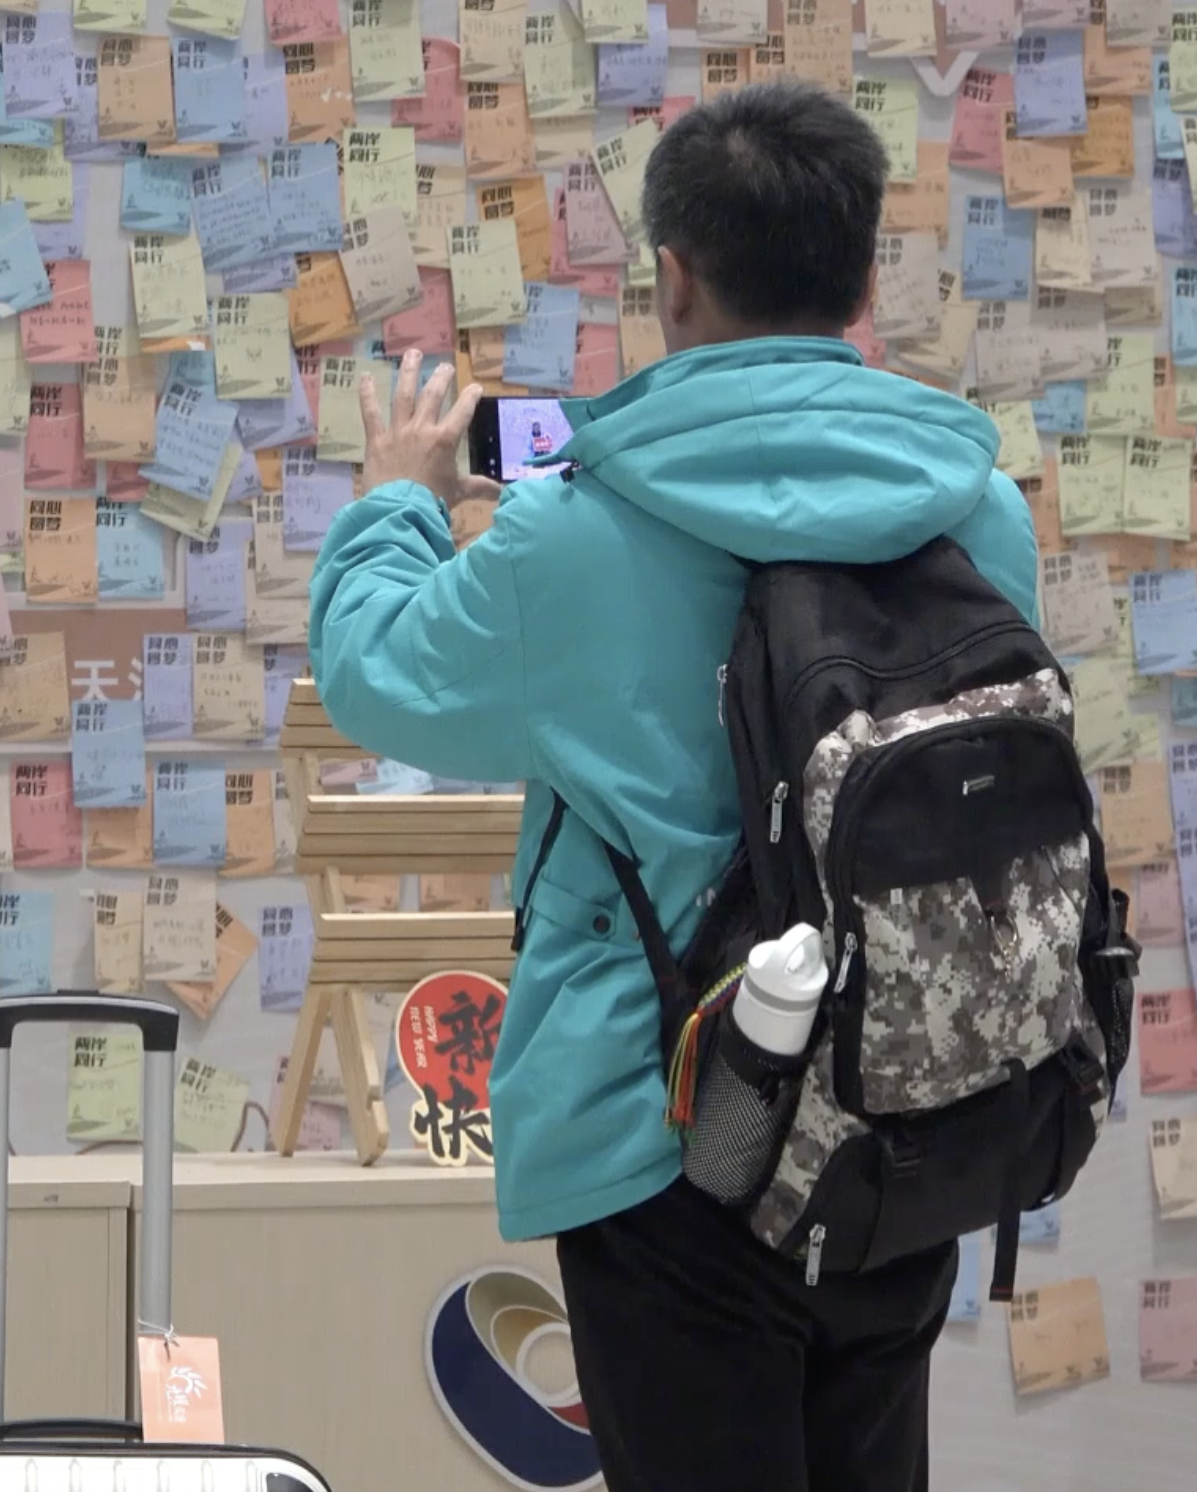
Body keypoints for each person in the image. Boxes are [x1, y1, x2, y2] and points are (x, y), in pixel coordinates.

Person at [308, 80, 1039, 1491]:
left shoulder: (581, 526)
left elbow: (378, 674)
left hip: (660, 1121)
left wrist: (393, 498)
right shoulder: (973, 507)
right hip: (907, 1106)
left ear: (675, 275)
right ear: (861, 274)